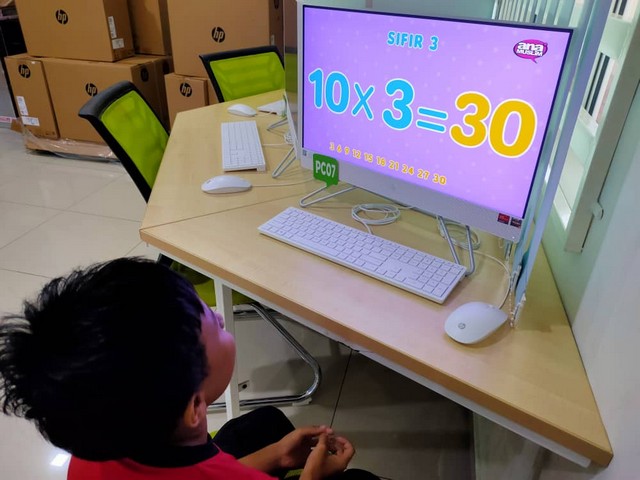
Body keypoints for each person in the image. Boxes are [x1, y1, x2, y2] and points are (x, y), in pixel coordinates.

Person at [0, 258, 379, 480]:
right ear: (195, 407)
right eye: (213, 324)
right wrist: (311, 476)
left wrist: (278, 457)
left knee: (265, 425)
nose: (221, 317)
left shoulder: (93, 443)